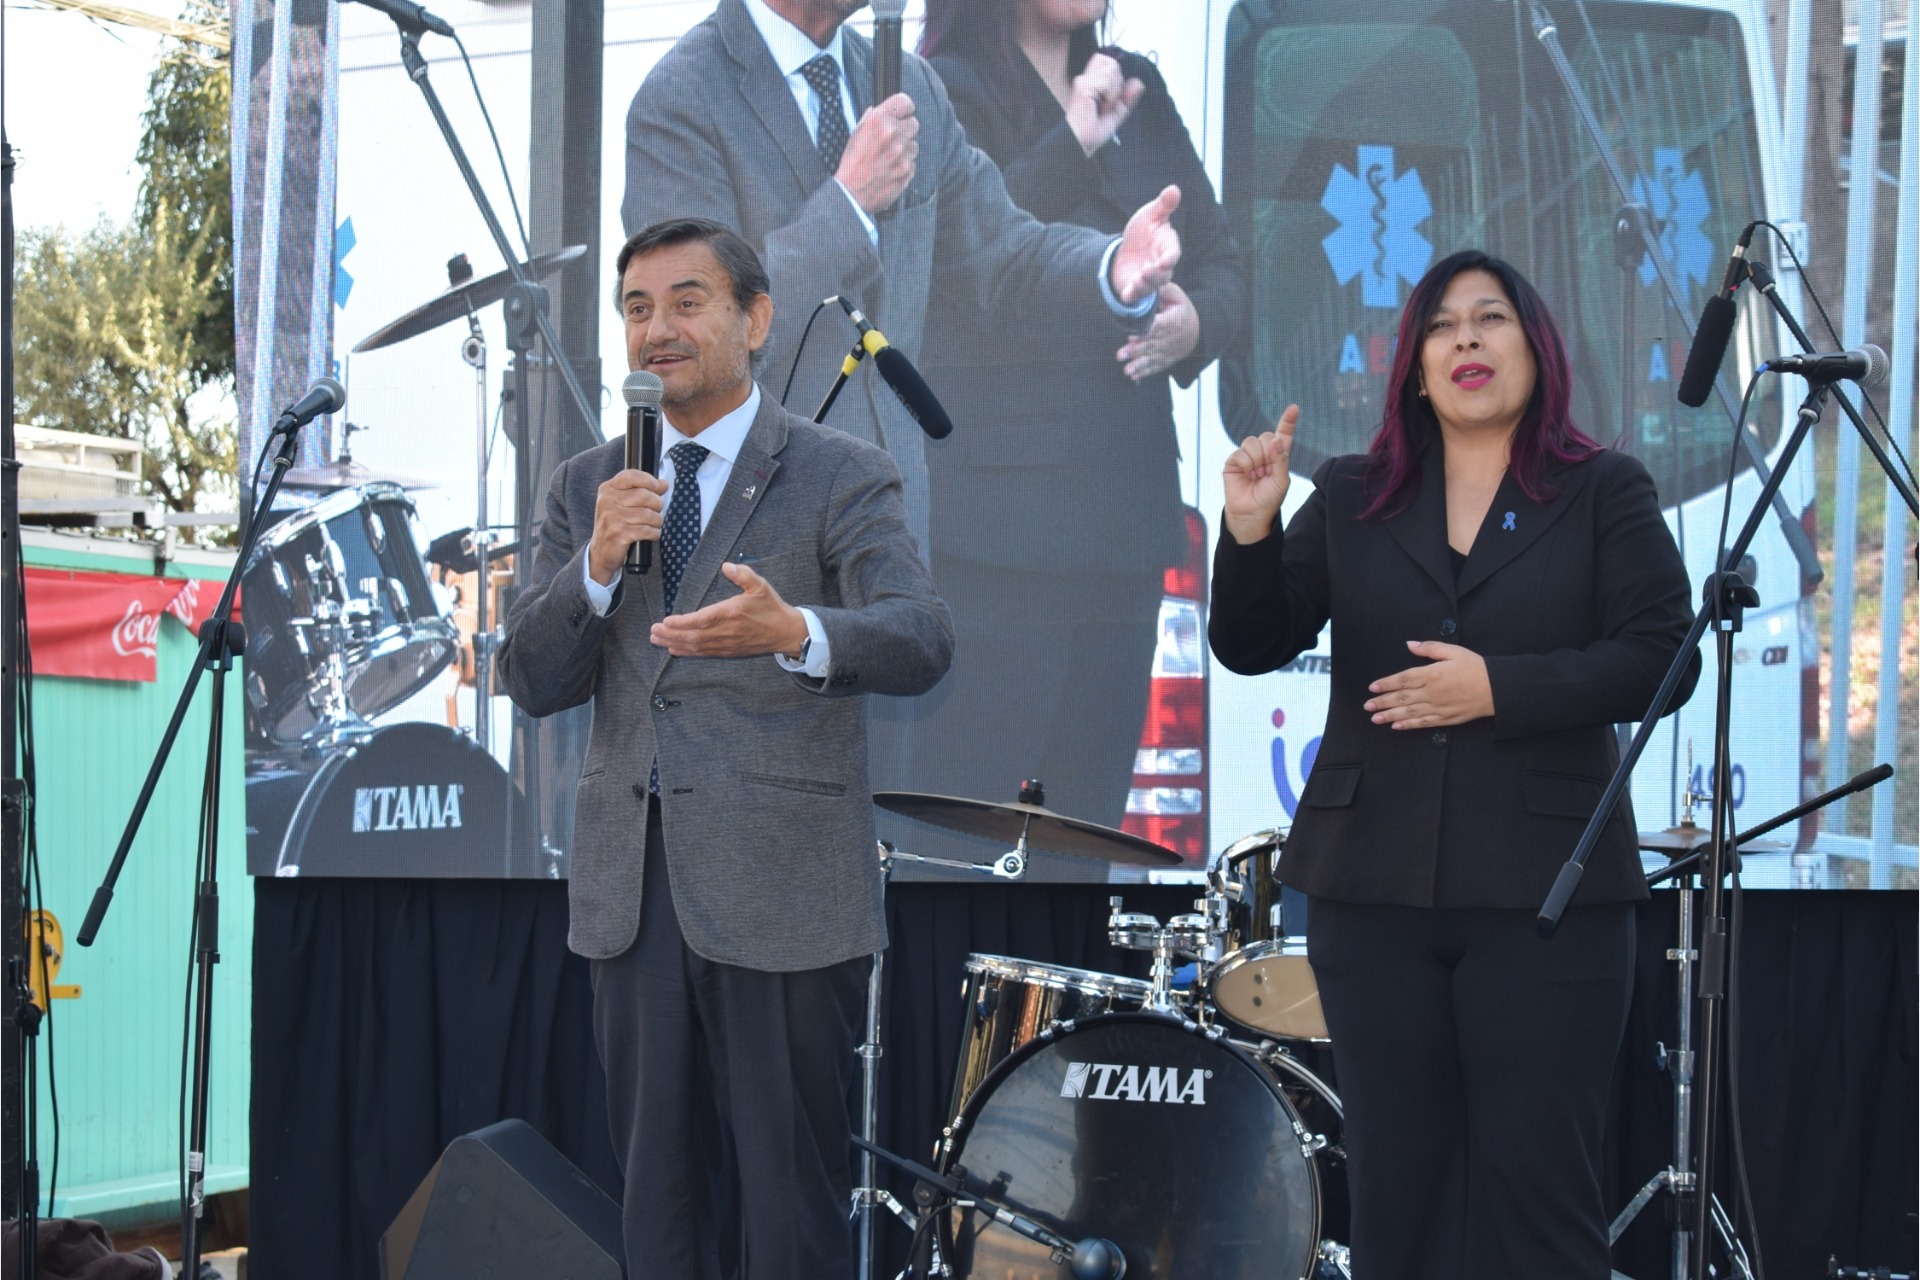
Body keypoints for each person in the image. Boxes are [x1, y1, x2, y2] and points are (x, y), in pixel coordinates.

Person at [1208, 249, 1700, 1277]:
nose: (1466, 337)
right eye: (1441, 325)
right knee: (1400, 1200)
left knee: (1540, 1200)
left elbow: (1666, 655)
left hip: (1550, 896)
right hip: (1371, 892)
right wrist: (1249, 532)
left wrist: (1498, 689)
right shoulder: (1353, 493)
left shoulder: (1604, 489)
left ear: (1538, 349)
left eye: (1491, 318)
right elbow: (1252, 641)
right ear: (1417, 369)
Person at [494, 218, 953, 1280]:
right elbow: (531, 677)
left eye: (686, 301)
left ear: (755, 319)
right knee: (659, 1209)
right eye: (637, 307)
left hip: (784, 891)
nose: (657, 328)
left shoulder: (839, 472)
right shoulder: (588, 486)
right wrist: (595, 567)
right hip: (632, 895)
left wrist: (798, 632)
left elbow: (922, 636)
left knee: (791, 1213)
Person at [619, 0, 1184, 564]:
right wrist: (849, 205)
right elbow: (694, 332)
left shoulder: (909, 84)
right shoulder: (680, 97)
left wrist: (1110, 266)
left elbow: (1004, 251)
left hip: (894, 538)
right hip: (758, 544)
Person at [906, 0, 1246, 846]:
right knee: (972, 841)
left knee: (1083, 840)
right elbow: (970, 267)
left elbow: (1225, 264)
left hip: (1125, 531)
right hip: (995, 547)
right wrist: (1074, 140)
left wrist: (1193, 326)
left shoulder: (1138, 87)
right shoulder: (945, 91)